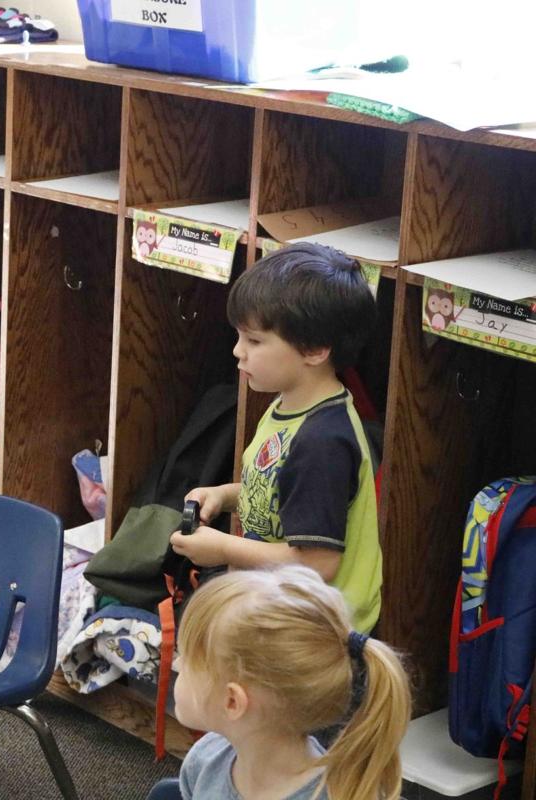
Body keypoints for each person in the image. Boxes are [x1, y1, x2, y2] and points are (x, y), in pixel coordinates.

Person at [169, 243, 382, 632]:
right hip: (281, 608)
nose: (237, 352)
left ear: (315, 349)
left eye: (254, 341)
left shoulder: (322, 442)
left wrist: (222, 548)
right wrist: (224, 495)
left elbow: (317, 564)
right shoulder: (291, 404)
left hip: (316, 635)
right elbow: (280, 492)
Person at [174, 565, 410, 800]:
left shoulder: (335, 794)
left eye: (185, 661)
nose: (176, 664)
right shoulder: (204, 759)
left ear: (232, 701)